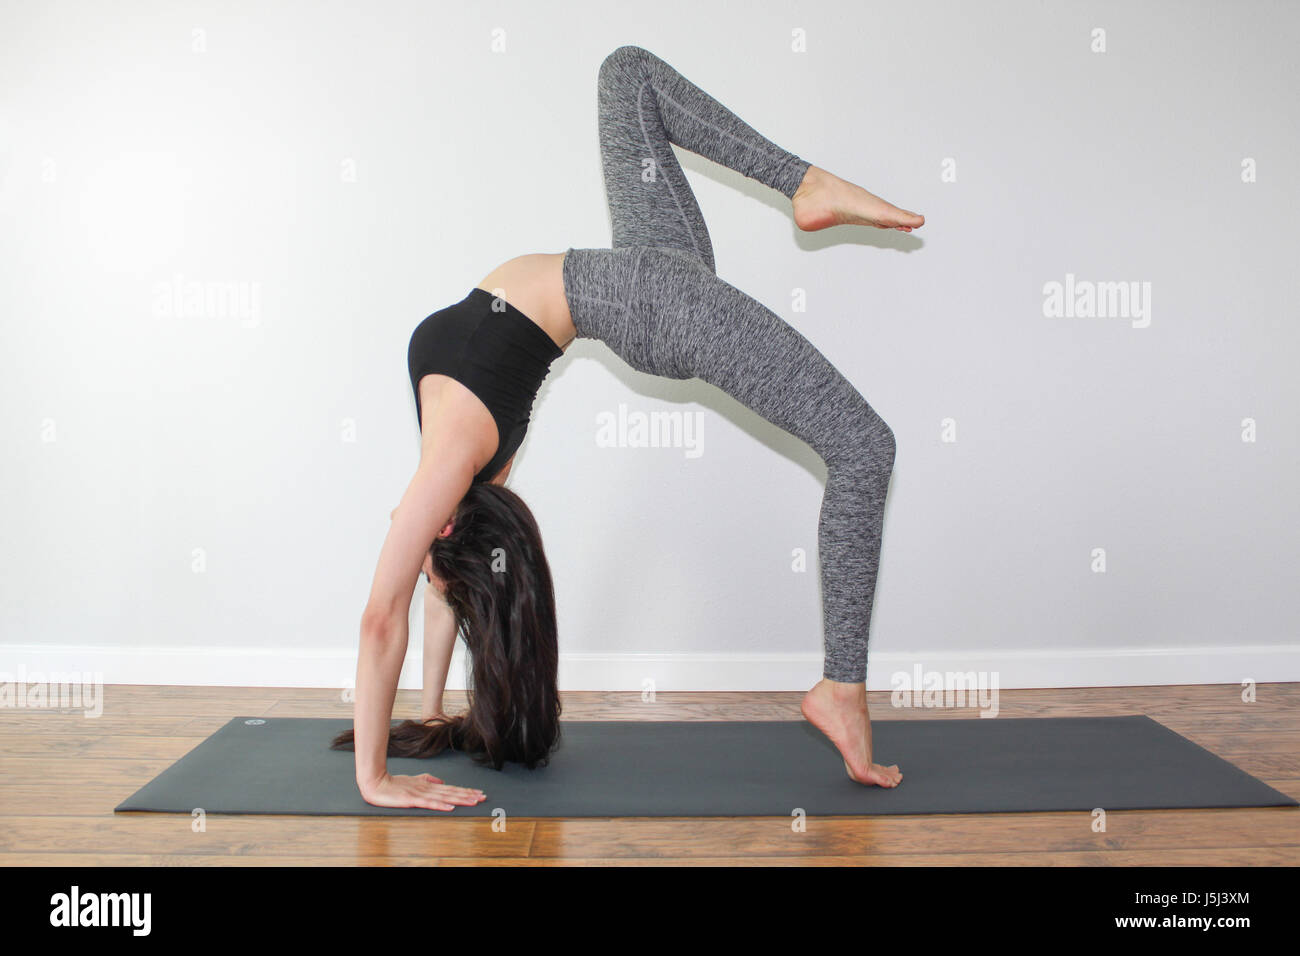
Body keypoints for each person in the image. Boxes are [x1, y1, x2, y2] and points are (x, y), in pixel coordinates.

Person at [334, 44, 922, 811]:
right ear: (448, 534)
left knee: (626, 73)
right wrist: (373, 780)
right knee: (864, 448)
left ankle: (804, 185)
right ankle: (842, 688)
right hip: (654, 305)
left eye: (417, 561)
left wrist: (431, 713)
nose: (409, 555)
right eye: (423, 558)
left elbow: (431, 597)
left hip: (647, 273)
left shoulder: (456, 464)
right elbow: (384, 620)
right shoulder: (461, 459)